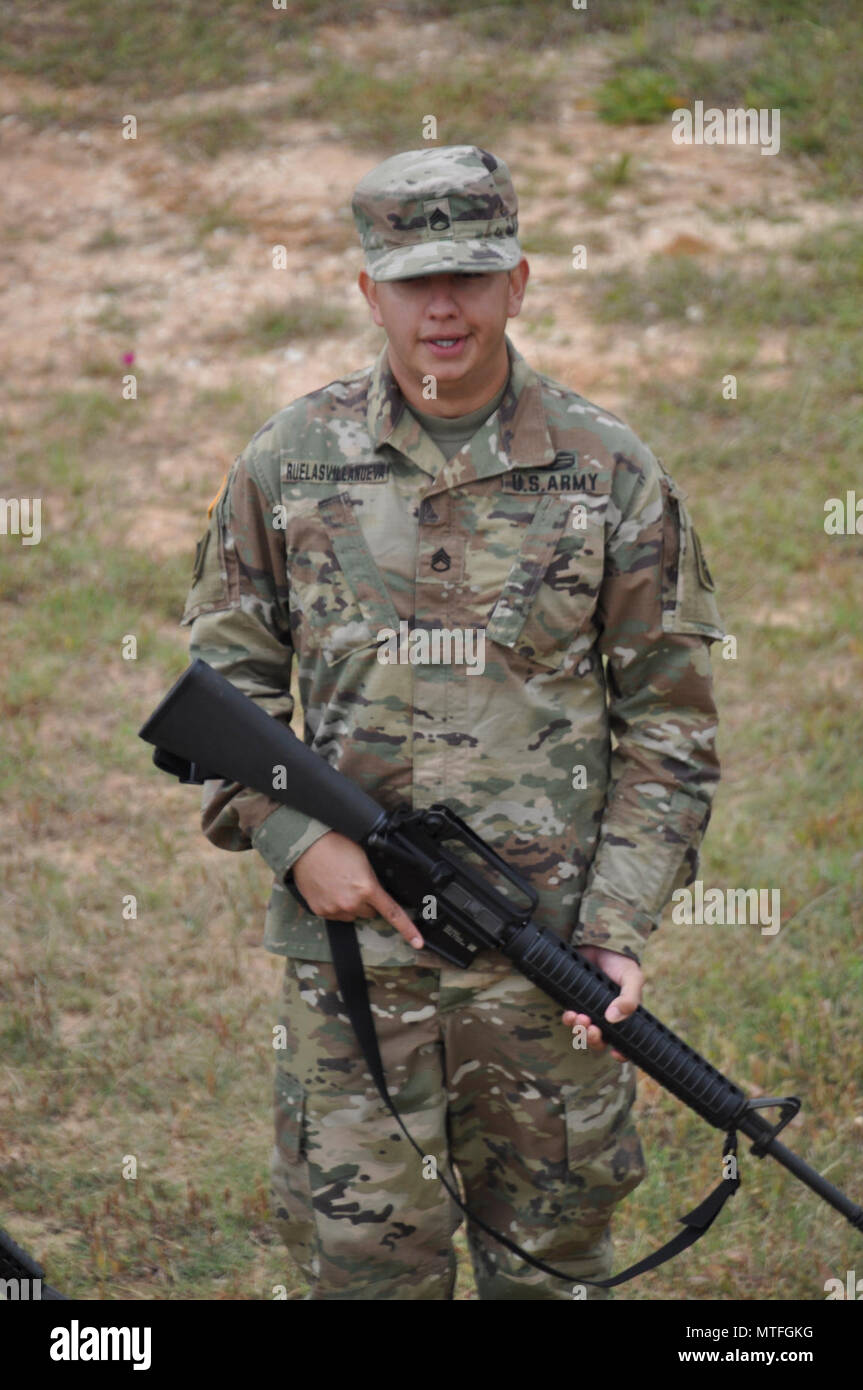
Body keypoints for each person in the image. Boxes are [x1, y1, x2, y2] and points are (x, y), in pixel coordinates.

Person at [179, 144, 725, 1301]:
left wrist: (615, 930)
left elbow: (670, 729)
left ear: (517, 282)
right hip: (351, 976)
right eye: (413, 278)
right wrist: (296, 840)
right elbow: (216, 703)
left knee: (556, 1269)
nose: (442, 307)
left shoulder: (610, 474)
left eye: (469, 276)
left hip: (546, 972)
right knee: (365, 1271)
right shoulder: (288, 464)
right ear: (366, 289)